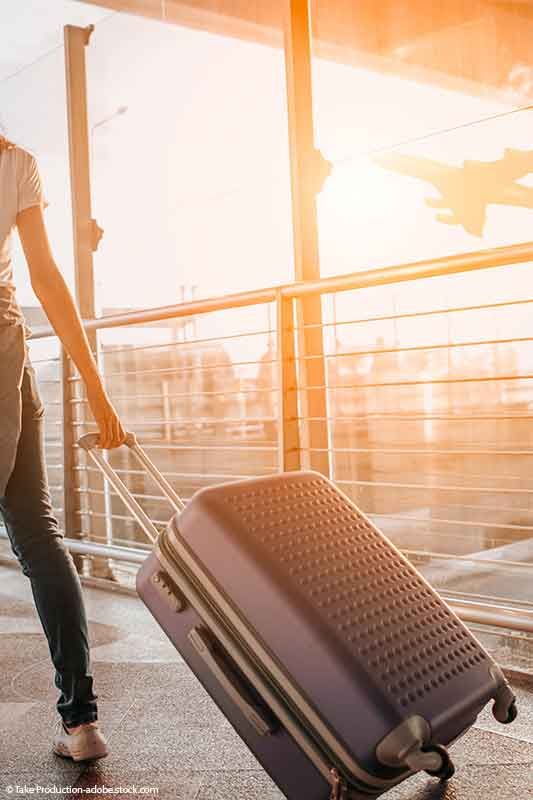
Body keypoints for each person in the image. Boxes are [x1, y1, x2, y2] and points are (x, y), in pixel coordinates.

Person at [0, 136, 126, 760]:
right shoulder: (15, 162)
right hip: (6, 361)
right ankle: (83, 725)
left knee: (39, 539)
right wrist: (96, 390)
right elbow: (45, 278)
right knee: (40, 539)